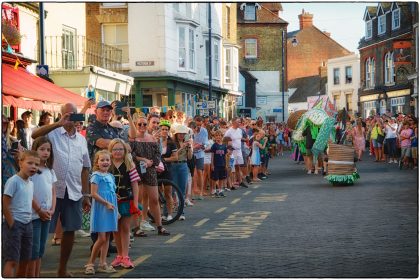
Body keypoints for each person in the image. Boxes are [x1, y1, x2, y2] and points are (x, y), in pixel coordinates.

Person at [31, 103, 91, 277]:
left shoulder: (81, 139)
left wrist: (86, 194)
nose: (71, 118)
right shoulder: (52, 133)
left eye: (74, 115)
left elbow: (85, 167)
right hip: (51, 191)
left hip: (73, 190)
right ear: (62, 114)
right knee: (40, 230)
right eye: (67, 115)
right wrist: (58, 123)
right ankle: (35, 270)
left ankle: (62, 269)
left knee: (70, 230)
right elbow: (35, 134)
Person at [128, 114, 170, 235]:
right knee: (138, 199)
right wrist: (143, 160)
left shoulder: (152, 138)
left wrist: (151, 162)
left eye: (144, 124)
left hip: (150, 170)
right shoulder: (133, 138)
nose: (142, 126)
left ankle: (160, 226)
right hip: (136, 170)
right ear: (135, 125)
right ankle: (136, 228)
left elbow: (158, 155)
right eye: (139, 124)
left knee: (154, 199)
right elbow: (131, 154)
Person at [2, 150, 40, 277]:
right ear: (20, 163)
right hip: (15, 224)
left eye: (36, 164)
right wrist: (11, 223)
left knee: (25, 260)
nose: (33, 167)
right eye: (30, 163)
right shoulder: (14, 181)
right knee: (12, 259)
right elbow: (5, 204)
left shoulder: (31, 183)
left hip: (27, 224)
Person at [27, 137, 57, 277]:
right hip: (34, 215)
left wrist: (52, 209)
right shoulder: (32, 170)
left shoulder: (49, 170)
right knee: (33, 249)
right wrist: (39, 210)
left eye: (48, 150)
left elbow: (53, 191)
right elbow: (29, 192)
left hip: (47, 214)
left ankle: (37, 275)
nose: (45, 152)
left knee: (40, 250)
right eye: (42, 149)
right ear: (35, 150)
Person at [85, 150, 118, 275]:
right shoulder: (96, 176)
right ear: (97, 162)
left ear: (110, 162)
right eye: (102, 160)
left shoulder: (110, 176)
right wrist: (106, 203)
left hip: (111, 208)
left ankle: (103, 263)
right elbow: (93, 194)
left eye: (107, 160)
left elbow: (112, 194)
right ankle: (90, 263)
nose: (105, 162)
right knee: (101, 238)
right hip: (102, 208)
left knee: (107, 238)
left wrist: (116, 210)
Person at [108, 139, 140, 269]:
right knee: (115, 229)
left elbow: (135, 184)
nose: (118, 152)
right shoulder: (107, 164)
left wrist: (136, 202)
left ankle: (126, 257)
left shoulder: (129, 164)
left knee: (125, 228)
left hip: (126, 200)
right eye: (115, 149)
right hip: (111, 202)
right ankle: (119, 256)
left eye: (120, 149)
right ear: (111, 150)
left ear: (125, 151)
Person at [169, 125, 193, 220]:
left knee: (182, 189)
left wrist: (190, 147)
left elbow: (190, 157)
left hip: (183, 165)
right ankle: (169, 212)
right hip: (174, 165)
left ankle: (181, 212)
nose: (182, 135)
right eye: (180, 133)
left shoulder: (186, 143)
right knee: (172, 189)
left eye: (184, 134)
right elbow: (172, 155)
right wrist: (181, 148)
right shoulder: (172, 143)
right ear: (176, 134)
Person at [157, 120, 177, 221]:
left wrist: (164, 159)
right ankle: (160, 214)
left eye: (166, 129)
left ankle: (169, 214)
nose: (164, 131)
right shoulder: (156, 141)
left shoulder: (171, 143)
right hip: (157, 169)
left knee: (168, 192)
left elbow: (175, 157)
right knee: (158, 193)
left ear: (168, 131)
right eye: (162, 129)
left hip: (167, 169)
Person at [223, 117, 249, 188]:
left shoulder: (240, 130)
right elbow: (225, 140)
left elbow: (240, 138)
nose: (239, 123)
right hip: (232, 151)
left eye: (240, 122)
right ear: (233, 122)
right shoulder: (229, 131)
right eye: (238, 122)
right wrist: (228, 150)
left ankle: (240, 181)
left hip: (239, 150)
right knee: (231, 167)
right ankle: (230, 183)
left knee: (238, 166)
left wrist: (245, 139)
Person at [190, 116, 208, 199]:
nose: (199, 127)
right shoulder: (190, 130)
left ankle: (200, 192)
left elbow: (205, 142)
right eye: (197, 125)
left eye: (200, 125)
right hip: (191, 154)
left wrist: (203, 145)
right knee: (192, 173)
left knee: (200, 172)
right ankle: (193, 191)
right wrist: (193, 146)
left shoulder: (204, 131)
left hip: (200, 153)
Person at [210, 130, 227, 197]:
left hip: (222, 164)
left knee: (221, 178)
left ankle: (220, 190)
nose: (218, 137)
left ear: (221, 137)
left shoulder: (224, 146)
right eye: (216, 136)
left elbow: (225, 155)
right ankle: (214, 191)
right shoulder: (214, 146)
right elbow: (212, 155)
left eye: (219, 135)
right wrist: (212, 164)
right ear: (215, 137)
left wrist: (226, 164)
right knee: (215, 178)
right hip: (216, 164)